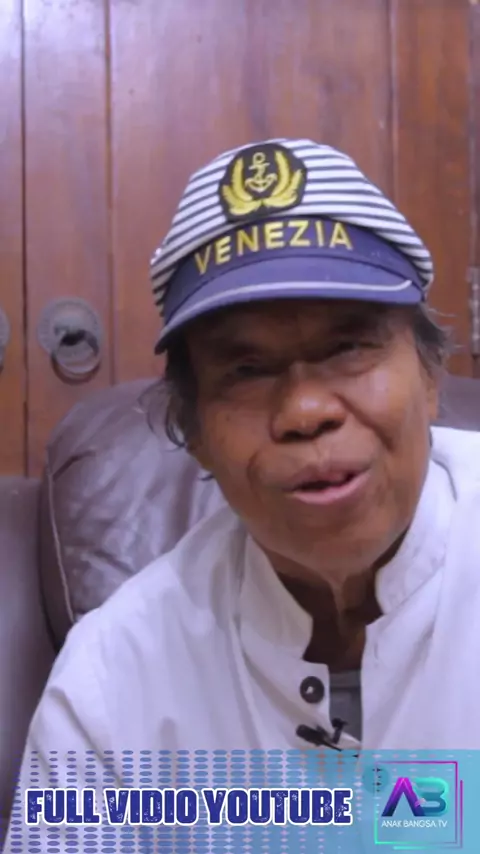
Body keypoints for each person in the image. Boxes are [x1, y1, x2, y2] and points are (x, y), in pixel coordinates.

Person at [6, 139, 480, 850]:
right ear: (194, 433)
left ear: (431, 376)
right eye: (248, 369)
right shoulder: (112, 682)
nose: (305, 410)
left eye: (348, 347)